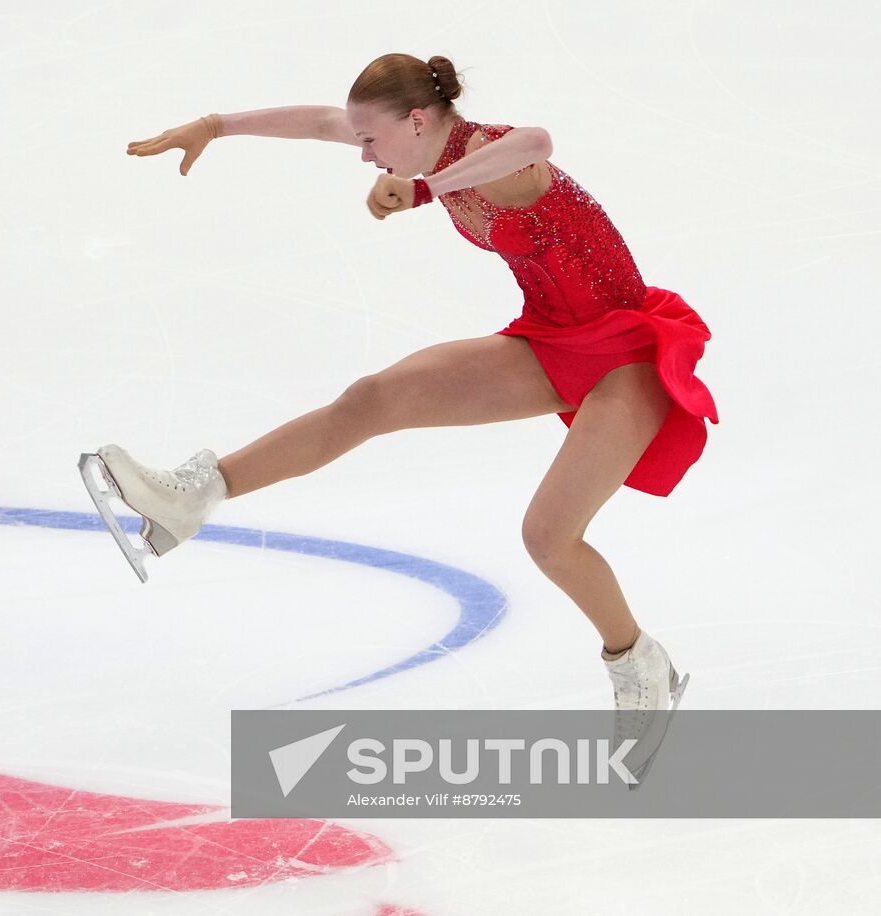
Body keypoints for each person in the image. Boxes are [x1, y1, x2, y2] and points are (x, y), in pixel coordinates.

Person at [86, 53, 715, 780]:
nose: (362, 154)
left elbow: (538, 142)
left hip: (624, 358)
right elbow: (325, 121)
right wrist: (216, 125)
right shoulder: (415, 148)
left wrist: (421, 190)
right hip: (548, 339)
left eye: (373, 141)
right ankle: (190, 497)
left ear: (418, 121)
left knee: (548, 537)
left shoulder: (489, 154)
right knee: (371, 400)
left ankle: (641, 666)